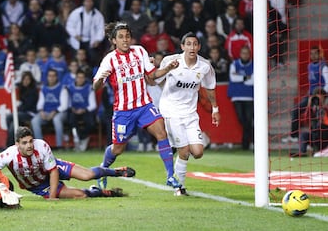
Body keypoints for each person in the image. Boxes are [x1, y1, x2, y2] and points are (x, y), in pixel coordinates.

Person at [92, 22, 182, 190]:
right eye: (121, 37)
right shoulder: (109, 59)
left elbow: (152, 75)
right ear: (113, 41)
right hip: (123, 112)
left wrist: (168, 67)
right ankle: (103, 169)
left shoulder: (140, 51)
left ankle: (170, 176)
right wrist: (99, 80)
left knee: (162, 132)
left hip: (144, 105)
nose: (125, 40)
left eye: (127, 36)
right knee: (118, 149)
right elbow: (95, 86)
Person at [155, 32, 220, 195]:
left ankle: (175, 149)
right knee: (184, 151)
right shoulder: (170, 61)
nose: (192, 47)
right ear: (182, 46)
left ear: (199, 47)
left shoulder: (205, 66)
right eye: (188, 44)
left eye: (195, 44)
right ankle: (179, 186)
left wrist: (215, 109)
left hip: (190, 114)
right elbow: (155, 79)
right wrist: (167, 69)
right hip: (171, 111)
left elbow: (210, 88)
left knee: (197, 152)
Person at [0, 126, 135, 199]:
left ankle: (115, 172)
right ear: (17, 144)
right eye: (24, 143)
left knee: (88, 175)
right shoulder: (8, 155)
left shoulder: (41, 146)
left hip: (53, 168)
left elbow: (53, 171)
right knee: (81, 196)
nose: (29, 145)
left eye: (31, 141)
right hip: (38, 185)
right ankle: (99, 192)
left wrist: (53, 196)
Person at [282, 46, 328, 143]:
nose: (313, 55)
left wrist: (320, 95)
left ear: (320, 54)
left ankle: (315, 141)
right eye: (311, 53)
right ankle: (294, 136)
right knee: (296, 110)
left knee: (316, 116)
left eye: (316, 53)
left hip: (320, 96)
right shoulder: (310, 66)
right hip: (310, 95)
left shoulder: (324, 67)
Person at [31, 69, 68, 149]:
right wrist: (41, 111)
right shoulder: (43, 88)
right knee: (34, 121)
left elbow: (64, 105)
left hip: (59, 112)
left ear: (56, 77)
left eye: (53, 76)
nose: (51, 78)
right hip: (46, 112)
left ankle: (59, 145)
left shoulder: (62, 88)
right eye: (49, 76)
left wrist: (55, 112)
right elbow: (40, 103)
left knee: (57, 120)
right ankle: (40, 147)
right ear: (47, 77)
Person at [227, 45, 253, 150]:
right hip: (237, 96)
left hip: (250, 97)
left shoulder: (254, 64)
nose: (245, 55)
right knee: (242, 120)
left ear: (249, 54)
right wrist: (246, 77)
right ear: (240, 54)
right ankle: (250, 141)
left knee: (248, 119)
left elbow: (254, 80)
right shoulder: (234, 64)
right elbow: (233, 78)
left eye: (247, 53)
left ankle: (245, 143)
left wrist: (240, 78)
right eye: (243, 53)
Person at [5, 71, 38, 147]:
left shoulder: (33, 91)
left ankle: (9, 145)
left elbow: (28, 106)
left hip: (30, 113)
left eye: (28, 79)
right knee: (12, 125)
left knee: (10, 116)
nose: (26, 81)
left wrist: (19, 108)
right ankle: (10, 146)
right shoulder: (21, 89)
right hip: (22, 113)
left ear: (31, 80)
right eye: (24, 79)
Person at [68, 70, 97, 151]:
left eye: (82, 78)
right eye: (78, 77)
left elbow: (93, 105)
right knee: (71, 119)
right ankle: (77, 139)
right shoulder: (70, 88)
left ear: (84, 79)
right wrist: (72, 108)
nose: (80, 79)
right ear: (76, 78)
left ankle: (84, 138)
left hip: (85, 111)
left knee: (90, 122)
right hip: (74, 111)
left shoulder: (89, 88)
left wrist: (84, 110)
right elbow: (68, 102)